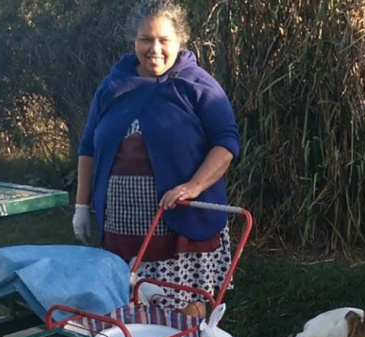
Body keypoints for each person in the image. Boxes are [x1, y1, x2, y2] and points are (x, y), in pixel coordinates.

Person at [72, 0, 240, 318]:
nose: (155, 49)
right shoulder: (112, 87)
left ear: (180, 41)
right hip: (121, 226)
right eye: (146, 39)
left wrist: (194, 185)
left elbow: (226, 142)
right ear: (133, 41)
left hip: (183, 229)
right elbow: (88, 148)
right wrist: (82, 207)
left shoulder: (198, 85)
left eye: (164, 39)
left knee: (184, 312)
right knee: (128, 308)